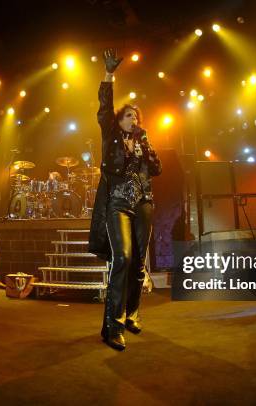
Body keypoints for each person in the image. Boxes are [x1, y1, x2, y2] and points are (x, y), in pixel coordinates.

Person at [89, 49, 162, 351]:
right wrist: (109, 74)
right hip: (117, 203)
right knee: (123, 258)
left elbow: (157, 169)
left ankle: (132, 314)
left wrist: (145, 148)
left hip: (143, 202)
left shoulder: (142, 143)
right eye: (129, 115)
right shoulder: (110, 134)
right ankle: (112, 326)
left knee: (138, 265)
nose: (134, 119)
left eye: (137, 116)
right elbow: (105, 107)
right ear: (119, 120)